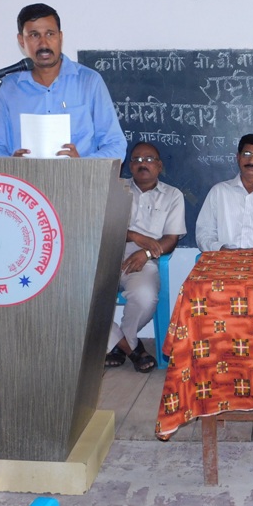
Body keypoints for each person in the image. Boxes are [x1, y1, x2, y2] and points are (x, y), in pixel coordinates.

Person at [0, 3, 126, 160]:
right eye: (34, 35)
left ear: (60, 37)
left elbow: (116, 146)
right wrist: (12, 164)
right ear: (21, 40)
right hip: (24, 177)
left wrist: (81, 165)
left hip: (79, 176)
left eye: (50, 34)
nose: (44, 43)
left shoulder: (89, 82)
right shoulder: (8, 88)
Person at [105, 142, 186, 373]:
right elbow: (99, 225)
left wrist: (147, 252)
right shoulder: (114, 189)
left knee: (145, 297)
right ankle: (132, 349)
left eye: (149, 159)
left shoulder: (173, 195)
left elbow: (171, 239)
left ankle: (118, 344)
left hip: (144, 260)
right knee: (79, 297)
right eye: (137, 159)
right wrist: (133, 235)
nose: (143, 164)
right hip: (106, 253)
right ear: (129, 165)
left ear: (159, 165)